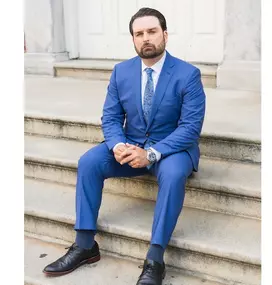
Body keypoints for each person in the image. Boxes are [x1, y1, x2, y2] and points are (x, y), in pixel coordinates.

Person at [43, 7, 206, 285]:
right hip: (131, 146)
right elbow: (110, 116)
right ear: (133, 39)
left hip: (171, 150)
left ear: (165, 34)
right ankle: (85, 245)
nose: (146, 38)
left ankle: (155, 259)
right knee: (89, 162)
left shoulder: (188, 74)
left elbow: (190, 128)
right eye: (139, 33)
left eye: (152, 31)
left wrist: (152, 153)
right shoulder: (121, 72)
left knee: (174, 174)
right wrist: (117, 144)